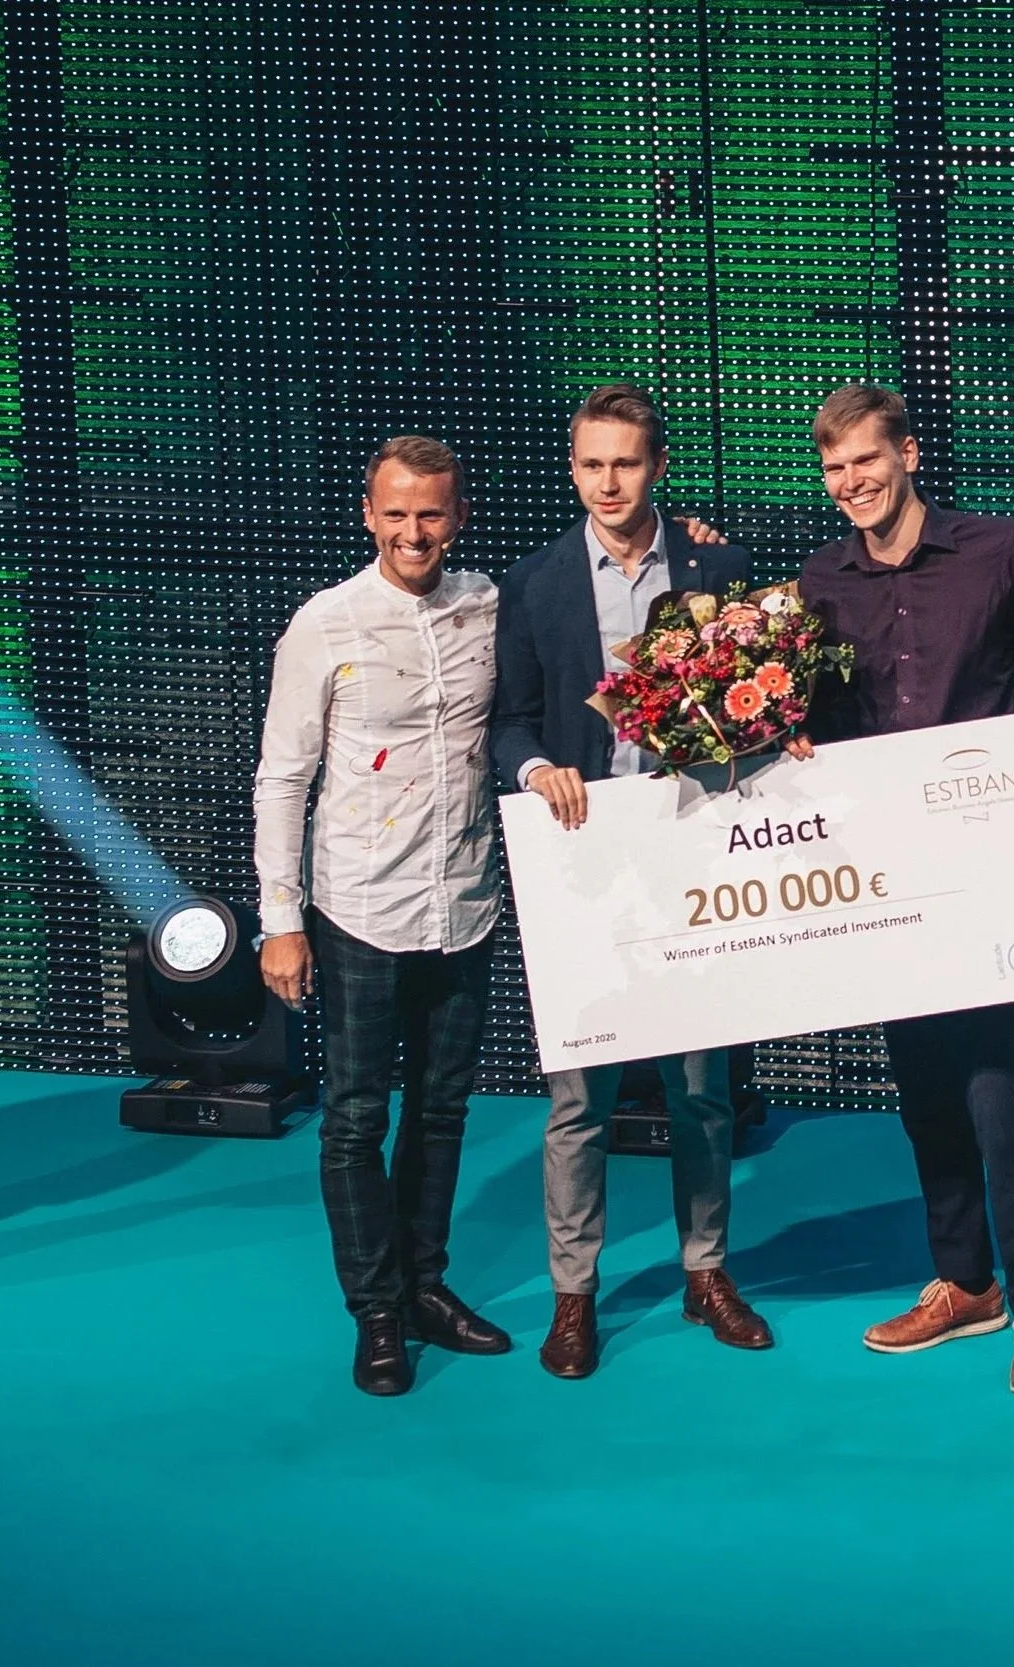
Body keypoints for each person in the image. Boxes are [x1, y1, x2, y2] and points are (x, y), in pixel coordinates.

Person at [796, 383, 1014, 1394]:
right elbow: (815, 717)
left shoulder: (998, 549)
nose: (851, 482)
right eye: (834, 468)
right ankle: (965, 1282)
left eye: (865, 461)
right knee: (922, 1086)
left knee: (1000, 1093)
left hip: (988, 854)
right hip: (884, 864)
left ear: (908, 454)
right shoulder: (819, 579)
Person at [492, 383, 773, 1380]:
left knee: (702, 1090)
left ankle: (706, 1273)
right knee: (580, 1102)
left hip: (689, 858)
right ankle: (574, 1295)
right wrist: (537, 769)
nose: (606, 482)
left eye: (624, 462)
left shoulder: (717, 567)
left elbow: (757, 699)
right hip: (583, 865)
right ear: (572, 470)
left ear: (656, 466)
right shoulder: (533, 583)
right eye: (589, 464)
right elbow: (507, 722)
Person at [254, 435, 511, 1397]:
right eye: (396, 513)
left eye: (430, 513)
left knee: (441, 1111)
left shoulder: (489, 605)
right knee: (356, 1119)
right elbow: (282, 779)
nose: (413, 531)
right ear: (368, 515)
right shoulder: (325, 622)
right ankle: (375, 1312)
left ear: (458, 516)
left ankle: (426, 1288)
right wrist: (281, 919)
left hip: (465, 899)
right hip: (359, 906)